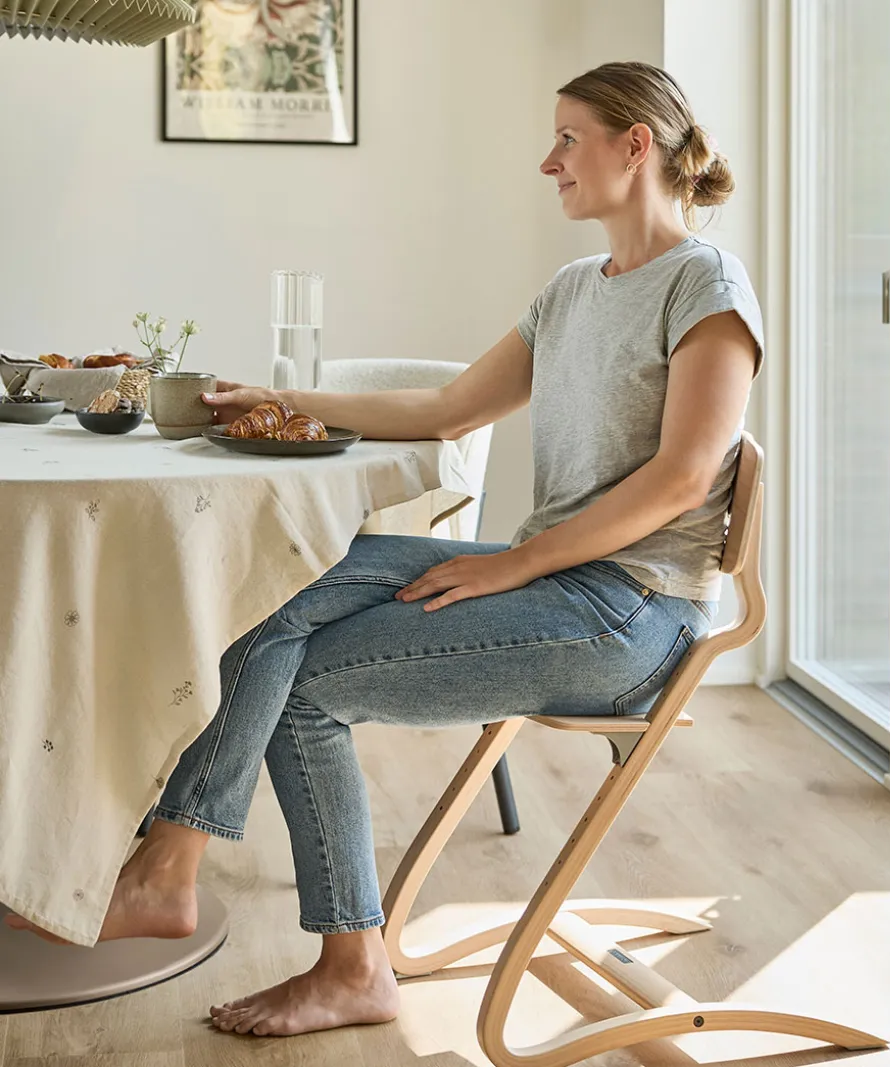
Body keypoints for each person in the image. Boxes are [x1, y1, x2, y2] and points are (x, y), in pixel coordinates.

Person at [6, 61, 764, 1038]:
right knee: (261, 590)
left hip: (628, 610)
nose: (549, 161)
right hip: (560, 577)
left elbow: (678, 479)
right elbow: (445, 409)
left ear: (635, 145)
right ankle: (171, 863)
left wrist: (512, 562)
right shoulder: (575, 289)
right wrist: (281, 401)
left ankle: (342, 959)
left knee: (302, 682)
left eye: (566, 139)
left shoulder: (706, 284)